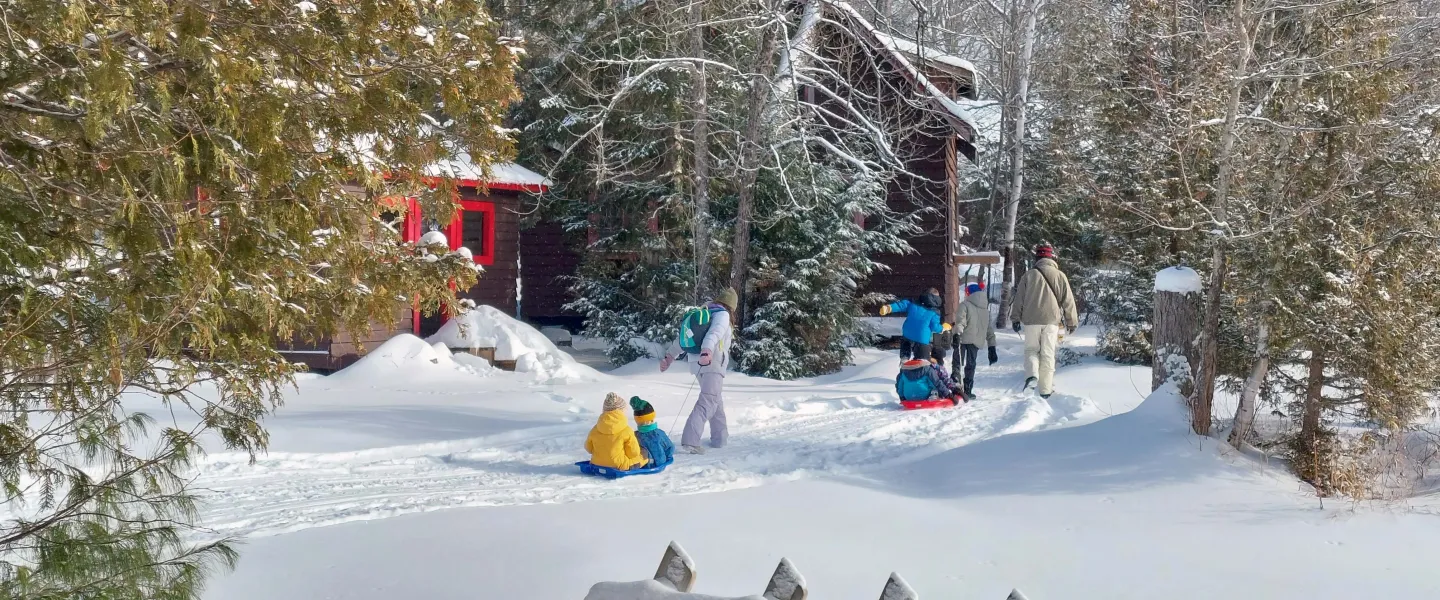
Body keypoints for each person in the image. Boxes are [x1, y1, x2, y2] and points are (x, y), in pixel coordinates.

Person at [660, 287, 737, 455]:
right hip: (711, 362)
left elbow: (683, 338)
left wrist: (669, 356)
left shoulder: (705, 312)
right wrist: (707, 351)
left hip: (698, 364)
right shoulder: (722, 315)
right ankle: (690, 441)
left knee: (715, 400)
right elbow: (714, 334)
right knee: (708, 401)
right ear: (732, 306)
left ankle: (720, 440)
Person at [1009, 244, 1079, 398]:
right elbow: (1068, 301)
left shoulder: (1029, 275)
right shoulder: (1060, 275)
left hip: (1031, 320)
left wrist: (1015, 318)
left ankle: (1032, 376)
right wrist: (1071, 321)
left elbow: (1019, 299)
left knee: (1031, 350)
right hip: (1051, 321)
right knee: (1048, 353)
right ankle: (1046, 390)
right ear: (1051, 257)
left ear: (1037, 258)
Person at [954, 282, 998, 401]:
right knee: (970, 365)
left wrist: (957, 333)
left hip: (962, 339)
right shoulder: (985, 310)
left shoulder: (965, 305)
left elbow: (960, 321)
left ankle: (956, 386)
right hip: (976, 342)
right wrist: (992, 346)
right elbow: (989, 330)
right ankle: (968, 390)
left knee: (957, 362)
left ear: (969, 293)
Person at [879, 288, 949, 363]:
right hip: (921, 338)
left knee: (905, 349)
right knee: (923, 361)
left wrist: (889, 308)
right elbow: (934, 327)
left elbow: (902, 305)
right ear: (937, 299)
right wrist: (943, 328)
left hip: (907, 333)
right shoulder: (935, 312)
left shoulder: (913, 302)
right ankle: (921, 367)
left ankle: (904, 360)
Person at [585, 392, 645, 470]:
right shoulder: (626, 430)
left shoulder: (595, 429)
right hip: (619, 466)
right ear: (621, 411)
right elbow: (633, 453)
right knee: (644, 455)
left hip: (596, 463)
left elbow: (589, 448)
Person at [630, 396, 675, 467]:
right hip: (655, 465)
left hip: (640, 465)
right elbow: (670, 447)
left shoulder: (634, 435)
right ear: (652, 419)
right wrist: (666, 458)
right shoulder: (658, 434)